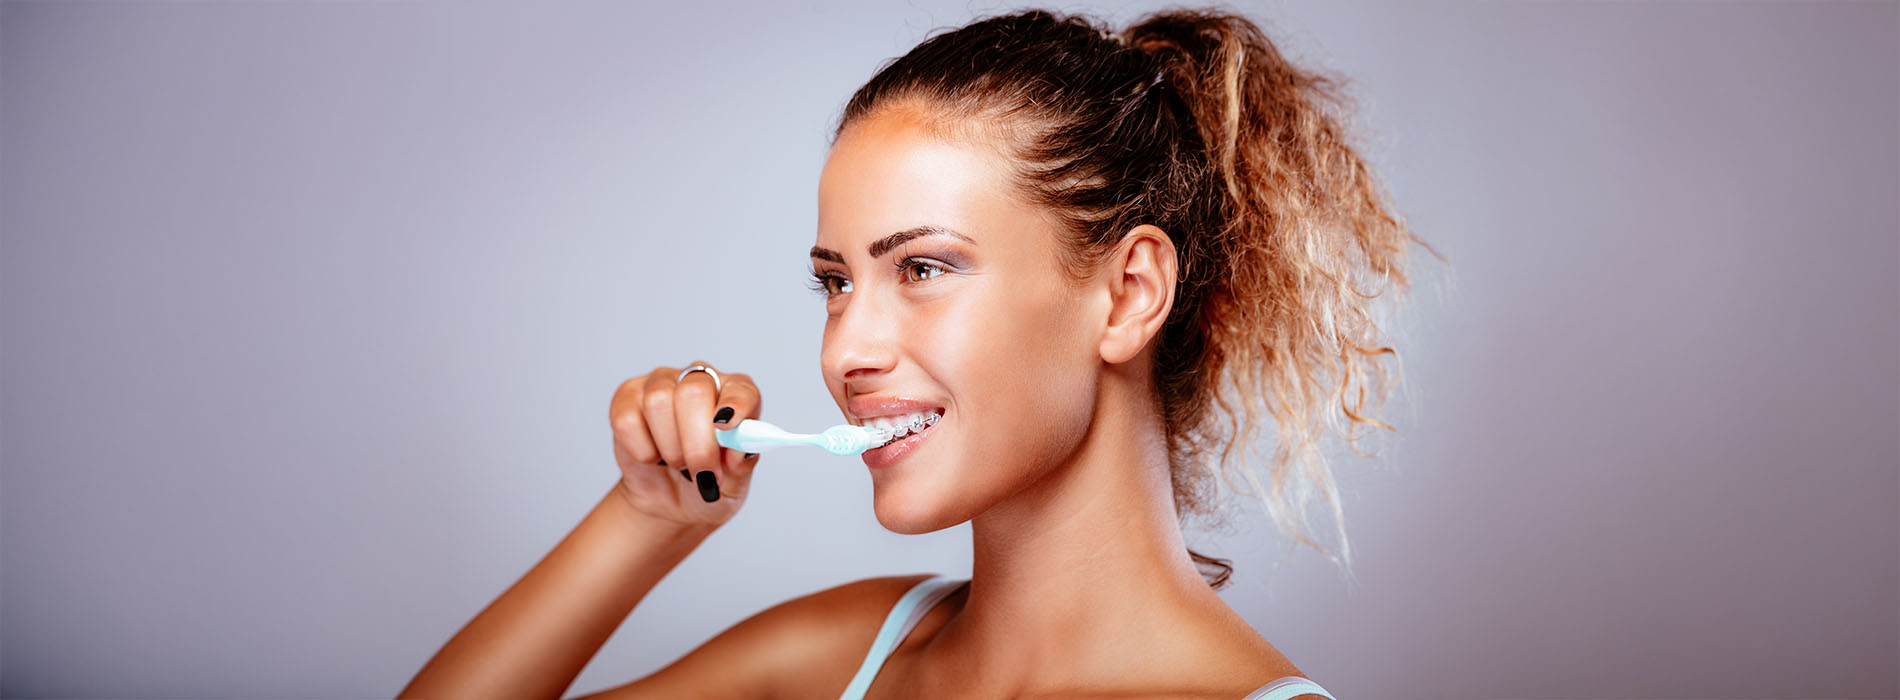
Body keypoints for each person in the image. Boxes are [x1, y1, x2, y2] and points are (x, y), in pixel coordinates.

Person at [402, 7, 1432, 699]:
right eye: (836, 282)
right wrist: (647, 516)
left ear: (1127, 293)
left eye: (926, 268)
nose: (845, 347)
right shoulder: (843, 654)